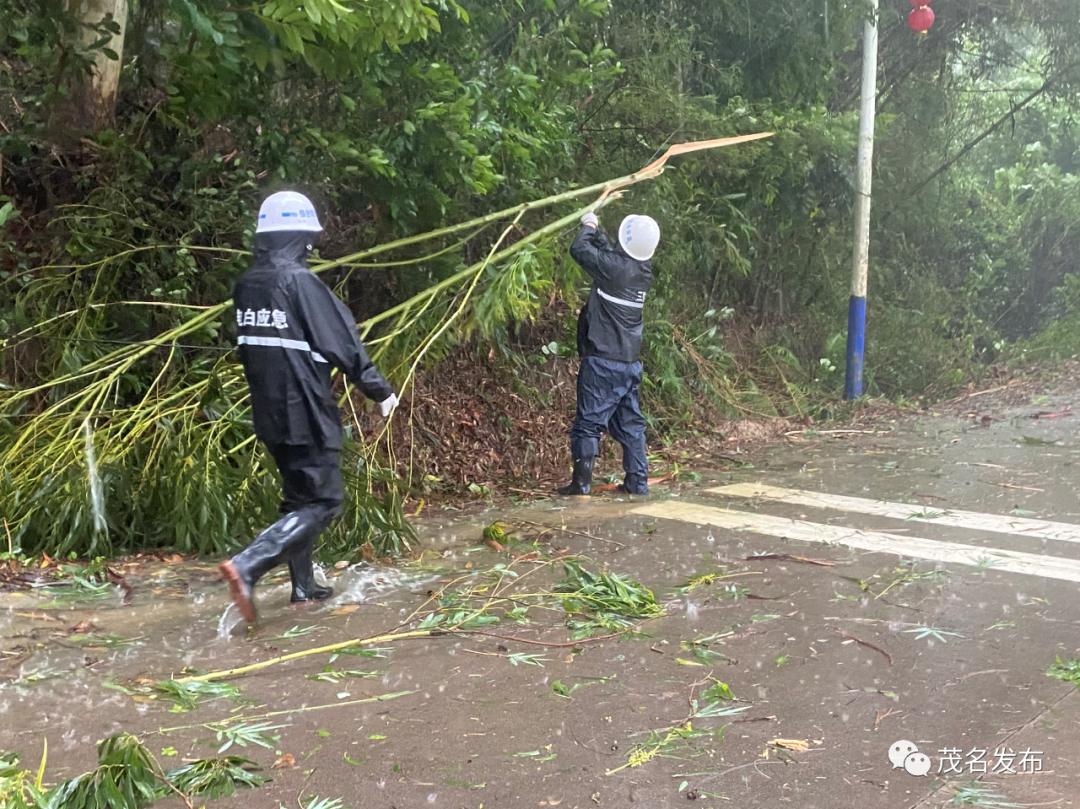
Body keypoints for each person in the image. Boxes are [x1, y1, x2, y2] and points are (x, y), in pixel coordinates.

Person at [219, 191, 399, 624]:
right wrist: (378, 389)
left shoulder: (248, 284)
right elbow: (341, 341)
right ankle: (248, 565)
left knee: (298, 497)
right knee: (324, 501)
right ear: (301, 236)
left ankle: (304, 587)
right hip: (305, 408)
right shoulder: (299, 282)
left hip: (268, 411)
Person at [558, 211, 660, 497]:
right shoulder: (642, 271)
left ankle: (580, 486)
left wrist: (589, 224)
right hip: (628, 364)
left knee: (588, 424)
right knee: (631, 426)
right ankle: (637, 484)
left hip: (602, 361)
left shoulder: (615, 269)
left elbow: (580, 249)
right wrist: (597, 231)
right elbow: (608, 253)